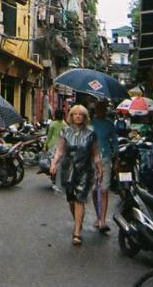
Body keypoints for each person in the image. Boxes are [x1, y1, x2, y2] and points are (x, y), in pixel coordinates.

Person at [49, 103, 102, 246]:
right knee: (71, 200)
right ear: (71, 116)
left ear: (85, 117)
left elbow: (95, 153)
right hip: (68, 170)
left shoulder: (91, 133)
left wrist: (99, 168)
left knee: (80, 199)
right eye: (75, 114)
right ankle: (77, 221)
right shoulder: (65, 132)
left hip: (85, 170)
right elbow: (60, 150)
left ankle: (77, 231)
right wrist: (54, 164)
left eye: (81, 114)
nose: (78, 116)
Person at [90, 100, 117, 234]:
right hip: (91, 161)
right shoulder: (90, 123)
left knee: (104, 190)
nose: (101, 110)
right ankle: (98, 216)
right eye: (98, 108)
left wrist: (116, 157)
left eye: (103, 108)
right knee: (95, 190)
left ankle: (103, 220)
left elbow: (115, 142)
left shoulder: (110, 124)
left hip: (105, 159)